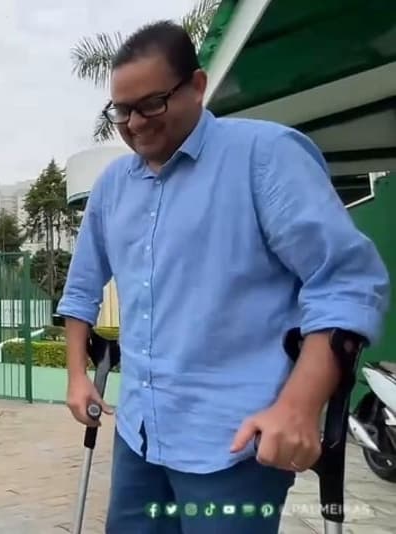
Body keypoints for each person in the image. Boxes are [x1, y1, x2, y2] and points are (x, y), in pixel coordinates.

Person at [56, 21, 390, 534]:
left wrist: (299, 406)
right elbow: (80, 288)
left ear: (196, 86)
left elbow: (346, 284)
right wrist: (77, 377)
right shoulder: (112, 187)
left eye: (151, 104)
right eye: (121, 111)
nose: (135, 124)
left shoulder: (267, 157)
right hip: (139, 435)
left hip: (234, 446)